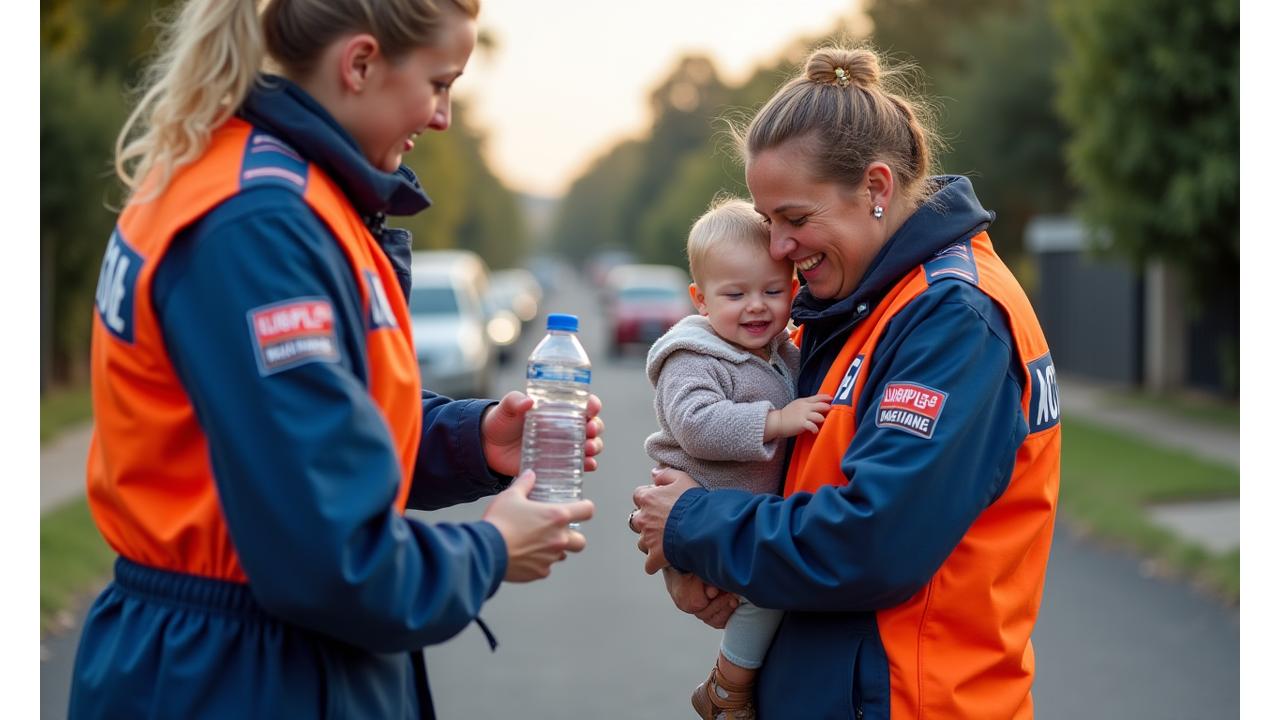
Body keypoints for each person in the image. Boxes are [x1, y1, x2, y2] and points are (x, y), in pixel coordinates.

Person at [70, 0, 600, 717]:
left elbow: (320, 427)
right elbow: (331, 559)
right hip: (232, 676)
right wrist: (492, 550)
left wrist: (473, 440)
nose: (443, 115)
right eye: (440, 84)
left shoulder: (296, 197)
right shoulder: (262, 225)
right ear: (359, 64)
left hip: (246, 659)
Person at [632, 44, 1062, 719]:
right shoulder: (856, 303)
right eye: (768, 219)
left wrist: (692, 524)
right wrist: (704, 563)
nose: (777, 247)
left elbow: (872, 542)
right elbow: (795, 483)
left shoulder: (953, 320)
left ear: (877, 190)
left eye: (796, 219)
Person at [640, 197, 831, 719]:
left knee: (769, 589)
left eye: (772, 291)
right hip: (699, 503)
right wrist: (775, 420)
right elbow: (697, 425)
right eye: (735, 294)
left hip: (735, 516)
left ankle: (729, 684)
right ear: (701, 300)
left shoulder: (781, 351)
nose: (756, 306)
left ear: (793, 290)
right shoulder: (692, 355)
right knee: (768, 591)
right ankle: (728, 689)